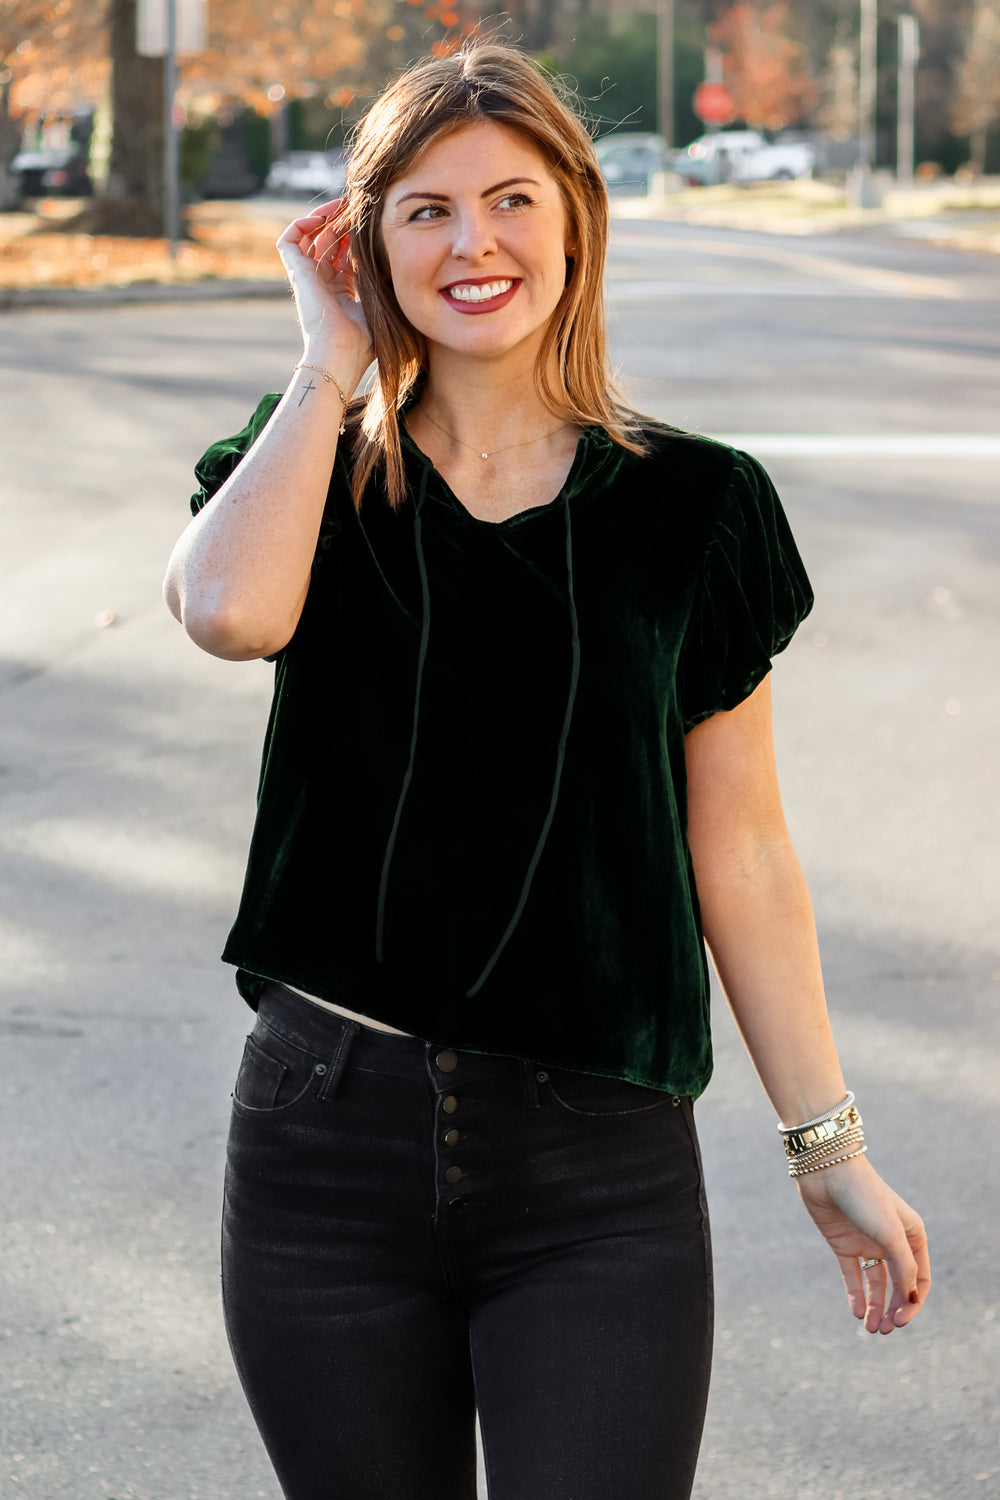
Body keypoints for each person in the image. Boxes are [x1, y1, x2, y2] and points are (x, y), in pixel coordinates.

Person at [162, 40, 930, 1500]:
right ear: (367, 243)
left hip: (598, 1173)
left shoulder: (696, 506)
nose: (475, 244)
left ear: (577, 218)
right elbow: (229, 614)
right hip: (326, 1150)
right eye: (426, 210)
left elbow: (746, 851)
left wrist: (824, 1142)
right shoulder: (309, 467)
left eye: (512, 199)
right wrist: (328, 365)